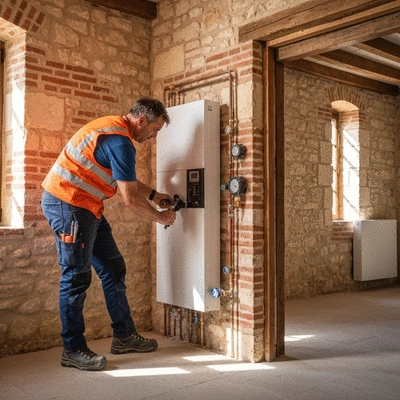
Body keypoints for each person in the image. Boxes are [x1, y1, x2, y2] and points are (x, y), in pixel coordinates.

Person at [41, 97, 176, 371]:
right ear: (141, 121)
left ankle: (124, 336)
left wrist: (153, 194)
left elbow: (124, 177)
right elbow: (129, 199)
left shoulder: (116, 132)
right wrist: (160, 217)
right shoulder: (120, 141)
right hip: (68, 204)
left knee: (114, 268)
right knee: (77, 277)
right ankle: (73, 349)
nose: (153, 136)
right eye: (155, 130)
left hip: (87, 207)